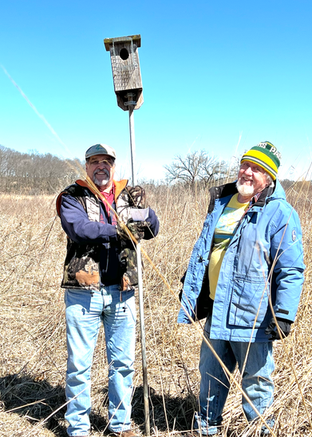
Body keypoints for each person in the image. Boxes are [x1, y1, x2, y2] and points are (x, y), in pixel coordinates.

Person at [178, 141, 305, 436]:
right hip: (216, 311)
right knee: (210, 377)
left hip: (254, 317)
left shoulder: (280, 214)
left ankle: (261, 430)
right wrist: (192, 284)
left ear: (269, 177)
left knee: (256, 383)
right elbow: (206, 250)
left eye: (257, 169)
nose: (247, 172)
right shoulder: (223, 202)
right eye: (245, 165)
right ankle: (206, 429)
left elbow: (291, 269)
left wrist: (283, 313)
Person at [56, 143, 159, 437]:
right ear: (86, 166)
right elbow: (79, 229)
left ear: (114, 167)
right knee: (79, 365)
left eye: (107, 162)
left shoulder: (130, 195)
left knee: (123, 364)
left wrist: (147, 216)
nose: (101, 167)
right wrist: (117, 230)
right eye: (95, 161)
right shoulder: (71, 195)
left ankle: (120, 424)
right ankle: (78, 427)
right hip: (83, 293)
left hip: (122, 291)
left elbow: (151, 229)